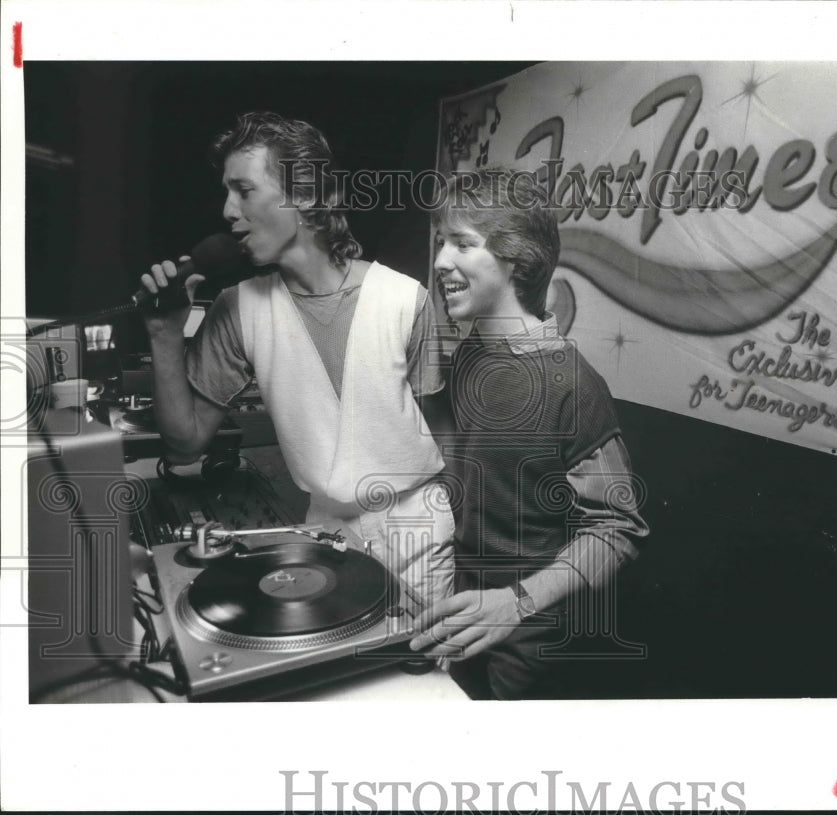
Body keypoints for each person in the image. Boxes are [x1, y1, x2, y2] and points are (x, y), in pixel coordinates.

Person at [139, 111, 453, 606]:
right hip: (324, 534)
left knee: (422, 676)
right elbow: (184, 445)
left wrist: (462, 523)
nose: (226, 210)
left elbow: (441, 429)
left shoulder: (405, 298)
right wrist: (163, 334)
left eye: (244, 190)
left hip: (421, 531)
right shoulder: (236, 308)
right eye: (226, 191)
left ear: (305, 194)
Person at [409, 167, 648, 699]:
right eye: (441, 243)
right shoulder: (471, 354)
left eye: (462, 244)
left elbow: (617, 528)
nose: (442, 260)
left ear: (515, 258)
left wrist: (515, 602)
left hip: (534, 633)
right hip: (466, 611)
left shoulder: (575, 385)